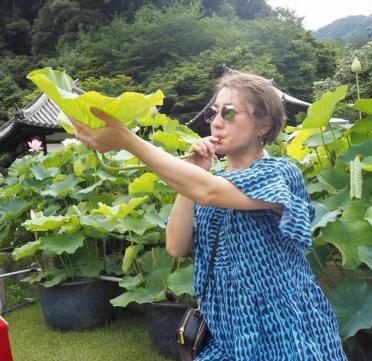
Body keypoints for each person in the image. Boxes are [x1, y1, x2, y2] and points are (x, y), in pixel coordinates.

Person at [70, 72, 347, 361]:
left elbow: (211, 193)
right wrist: (196, 173)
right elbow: (176, 246)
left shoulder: (279, 173)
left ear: (264, 125)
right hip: (227, 327)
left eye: (229, 113)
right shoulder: (211, 181)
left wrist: (128, 140)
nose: (216, 122)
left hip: (282, 325)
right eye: (214, 112)